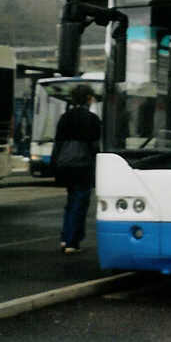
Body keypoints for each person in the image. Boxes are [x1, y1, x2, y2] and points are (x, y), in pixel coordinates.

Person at [51, 84, 101, 254]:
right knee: (80, 202)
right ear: (88, 98)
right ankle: (73, 241)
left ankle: (65, 238)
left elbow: (57, 144)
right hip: (82, 165)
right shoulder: (92, 119)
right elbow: (95, 146)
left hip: (65, 165)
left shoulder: (65, 117)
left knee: (71, 201)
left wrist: (55, 165)